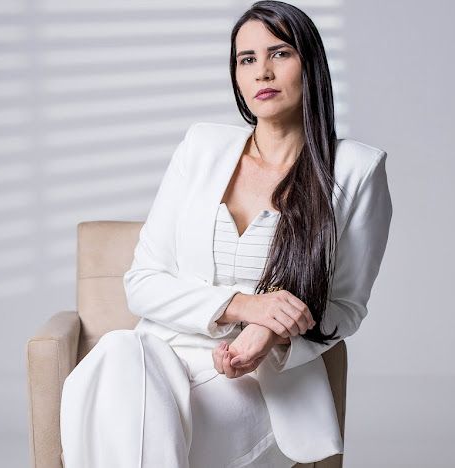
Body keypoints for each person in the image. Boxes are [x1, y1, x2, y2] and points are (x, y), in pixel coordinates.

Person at [60, 1, 393, 467]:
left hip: (256, 382)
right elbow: (142, 283)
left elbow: (346, 307)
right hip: (160, 356)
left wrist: (269, 333)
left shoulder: (357, 169)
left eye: (280, 54)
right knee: (119, 353)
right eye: (247, 59)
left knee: (122, 418)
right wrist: (246, 306)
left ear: (311, 64)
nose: (262, 72)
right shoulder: (201, 147)